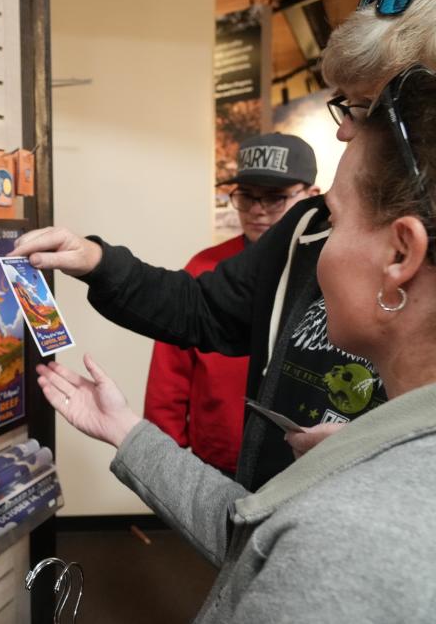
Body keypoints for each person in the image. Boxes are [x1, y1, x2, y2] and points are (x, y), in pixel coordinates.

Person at [36, 63, 436, 621]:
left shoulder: (352, 528)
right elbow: (253, 528)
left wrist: (352, 472)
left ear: (401, 255)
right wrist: (124, 427)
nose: (314, 246)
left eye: (336, 222)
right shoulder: (364, 474)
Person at [10, 0, 436, 490]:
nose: (345, 128)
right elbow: (203, 309)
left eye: (366, 108)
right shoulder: (305, 229)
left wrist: (375, 462)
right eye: (343, 104)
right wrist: (97, 262)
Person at [144, 134, 319, 475]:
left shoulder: (330, 269)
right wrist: (164, 462)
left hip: (301, 461)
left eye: (275, 197)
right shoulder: (204, 267)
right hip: (216, 459)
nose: (257, 209)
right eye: (247, 196)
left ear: (311, 197)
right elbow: (169, 378)